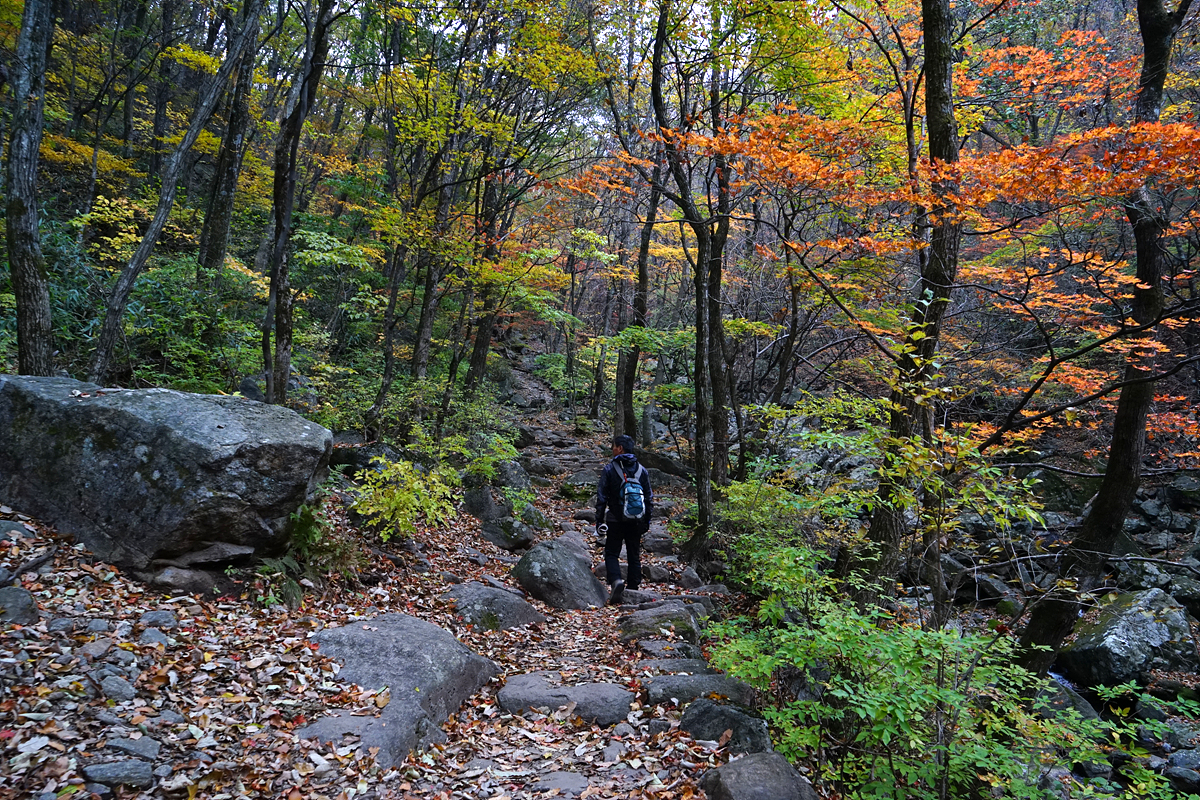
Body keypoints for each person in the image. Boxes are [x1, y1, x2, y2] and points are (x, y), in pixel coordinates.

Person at [595, 434, 653, 605]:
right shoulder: (642, 470)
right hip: (636, 519)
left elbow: (601, 497)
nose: (612, 449)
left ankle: (616, 581)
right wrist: (646, 521)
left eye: (613, 446)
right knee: (634, 555)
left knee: (612, 552)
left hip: (615, 519)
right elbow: (649, 498)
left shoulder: (610, 469)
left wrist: (599, 521)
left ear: (620, 448)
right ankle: (633, 590)